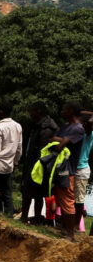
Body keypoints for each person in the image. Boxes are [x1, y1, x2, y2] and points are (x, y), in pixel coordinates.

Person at [49, 101, 86, 240]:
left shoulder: (77, 128)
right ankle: (65, 231)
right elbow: (56, 140)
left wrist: (56, 140)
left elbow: (59, 145)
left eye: (64, 110)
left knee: (67, 202)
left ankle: (71, 235)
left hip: (68, 170)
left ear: (70, 111)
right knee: (60, 200)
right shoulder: (65, 127)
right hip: (58, 168)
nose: (61, 112)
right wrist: (58, 139)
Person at [21, 102, 58, 225]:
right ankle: (27, 217)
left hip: (39, 165)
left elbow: (42, 150)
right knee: (30, 192)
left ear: (38, 112)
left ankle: (32, 218)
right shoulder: (37, 125)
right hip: (32, 163)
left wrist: (36, 166)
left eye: (32, 111)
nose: (30, 114)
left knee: (34, 193)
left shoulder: (47, 128)